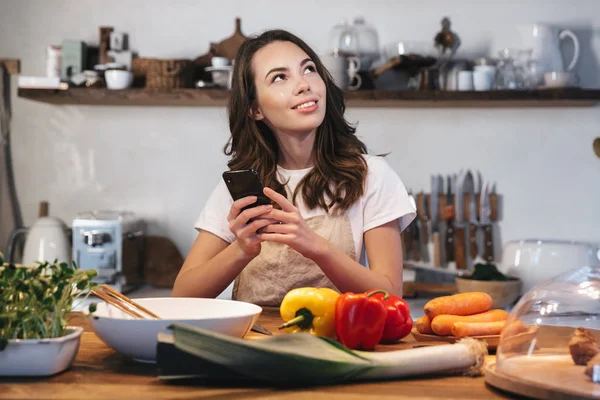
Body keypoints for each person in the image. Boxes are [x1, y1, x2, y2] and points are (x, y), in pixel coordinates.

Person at [172, 29, 416, 306]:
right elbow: (183, 295)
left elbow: (390, 295)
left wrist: (317, 248)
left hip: (335, 346)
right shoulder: (241, 188)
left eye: (309, 69)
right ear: (255, 109)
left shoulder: (371, 176)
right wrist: (241, 249)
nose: (303, 84)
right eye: (280, 77)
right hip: (254, 345)